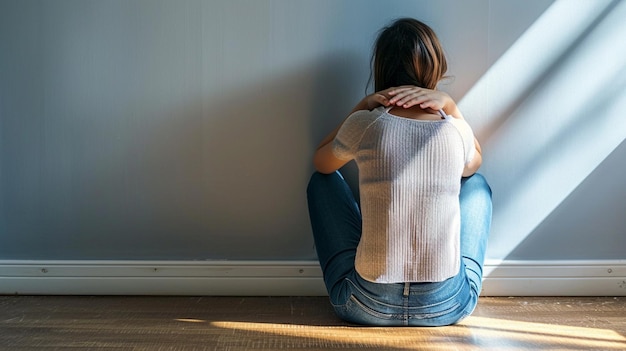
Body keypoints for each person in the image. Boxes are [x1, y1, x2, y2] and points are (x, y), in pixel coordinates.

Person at [306, 18, 492, 326]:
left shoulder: (367, 123)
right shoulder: (455, 130)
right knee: (478, 184)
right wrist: (451, 106)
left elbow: (321, 163)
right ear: (435, 68)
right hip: (444, 308)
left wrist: (362, 106)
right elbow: (475, 163)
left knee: (320, 183)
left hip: (364, 305)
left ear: (382, 69)